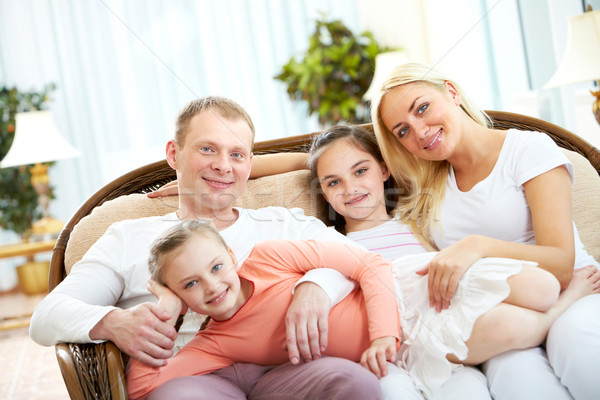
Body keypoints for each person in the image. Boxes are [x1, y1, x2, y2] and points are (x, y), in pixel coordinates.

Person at [29, 96, 388, 399]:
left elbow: (357, 261)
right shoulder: (126, 236)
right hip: (191, 378)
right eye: (207, 149)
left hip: (289, 366)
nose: (223, 166)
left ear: (250, 163)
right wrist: (114, 323)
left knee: (355, 383)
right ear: (174, 154)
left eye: (237, 154)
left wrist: (315, 286)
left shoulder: (283, 222)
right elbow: (47, 317)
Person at [304, 124, 600, 399]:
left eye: (360, 171)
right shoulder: (332, 244)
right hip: (401, 337)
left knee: (537, 292)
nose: (350, 188)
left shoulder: (420, 222)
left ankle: (548, 311)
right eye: (333, 182)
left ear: (384, 169)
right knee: (506, 327)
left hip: (455, 318)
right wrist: (300, 161)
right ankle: (557, 309)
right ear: (324, 192)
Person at [369, 62, 600, 399]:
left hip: (575, 289)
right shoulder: (427, 189)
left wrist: (477, 246)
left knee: (576, 344)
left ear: (452, 92)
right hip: (500, 316)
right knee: (519, 382)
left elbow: (562, 264)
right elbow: (334, 157)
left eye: (422, 108)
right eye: (402, 130)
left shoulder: (527, 149)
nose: (419, 131)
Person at [127, 220, 401, 399]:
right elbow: (143, 390)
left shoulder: (269, 258)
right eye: (190, 284)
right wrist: (167, 309)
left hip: (402, 306)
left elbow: (370, 264)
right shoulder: (215, 344)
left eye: (217, 267)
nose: (211, 286)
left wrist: (384, 336)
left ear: (231, 256)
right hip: (387, 361)